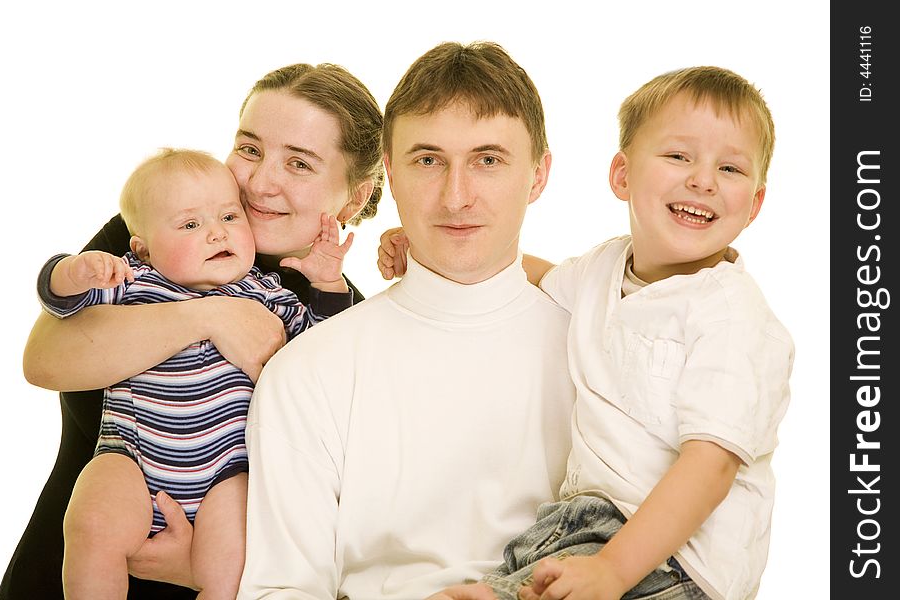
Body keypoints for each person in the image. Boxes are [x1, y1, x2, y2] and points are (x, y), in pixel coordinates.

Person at [382, 66, 795, 600]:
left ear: (756, 203)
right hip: (572, 533)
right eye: (678, 156)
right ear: (621, 174)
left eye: (731, 168)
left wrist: (614, 569)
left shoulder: (733, 316)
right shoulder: (604, 267)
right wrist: (424, 244)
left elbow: (711, 468)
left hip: (675, 564)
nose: (703, 180)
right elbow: (529, 276)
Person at [0, 62, 384, 600]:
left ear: (355, 195)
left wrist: (203, 568)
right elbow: (44, 359)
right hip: (66, 569)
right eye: (249, 148)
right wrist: (210, 316)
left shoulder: (345, 317)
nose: (259, 181)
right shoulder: (166, 232)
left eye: (299, 163)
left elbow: (344, 524)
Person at [236, 42, 575, 600]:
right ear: (389, 174)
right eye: (428, 160)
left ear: (538, 176)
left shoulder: (597, 352)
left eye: (488, 160)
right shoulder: (310, 369)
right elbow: (280, 590)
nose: (456, 197)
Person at [44, 148, 354, 599]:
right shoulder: (133, 282)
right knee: (90, 522)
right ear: (142, 247)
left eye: (230, 217)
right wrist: (73, 272)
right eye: (191, 225)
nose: (216, 233)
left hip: (226, 473)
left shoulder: (267, 292)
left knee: (230, 565)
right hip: (130, 457)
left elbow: (323, 350)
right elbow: (60, 310)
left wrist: (328, 285)